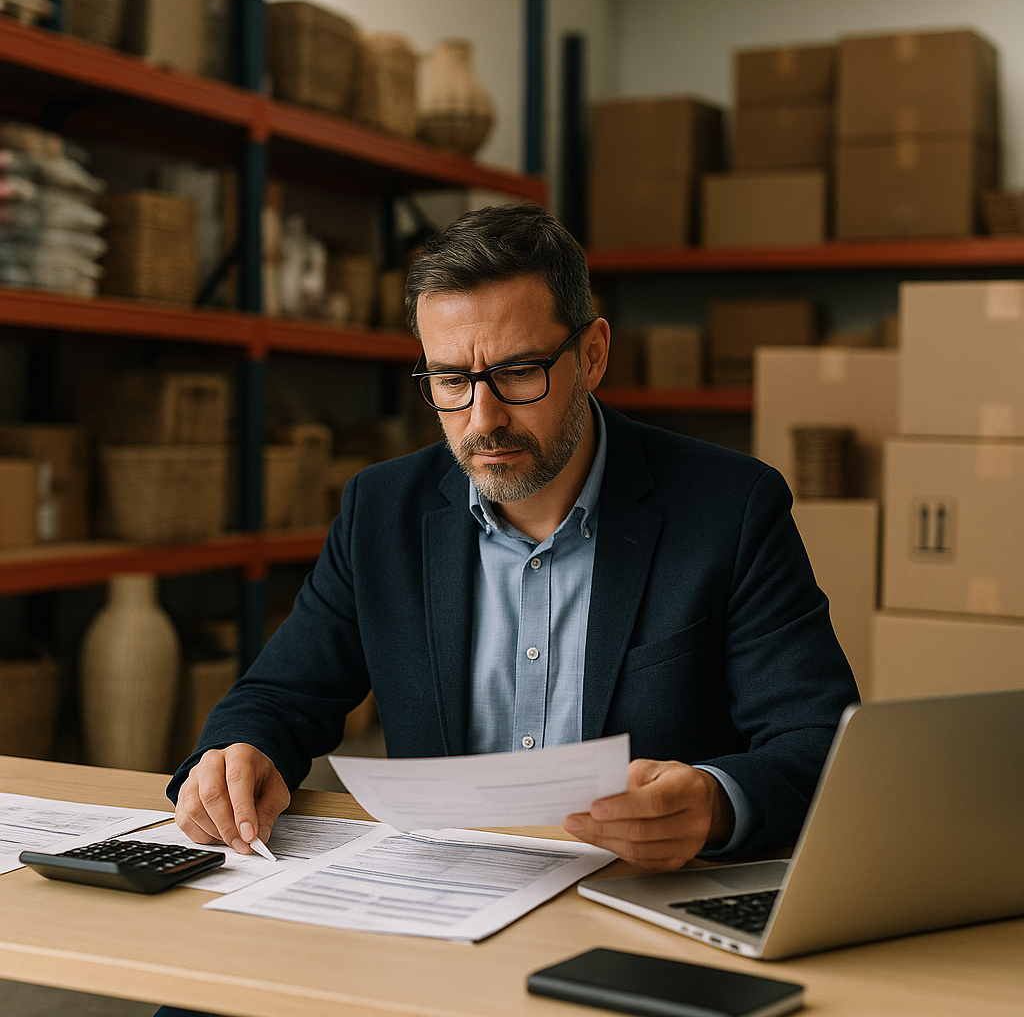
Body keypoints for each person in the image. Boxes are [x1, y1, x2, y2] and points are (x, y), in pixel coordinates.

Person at [168, 202, 858, 878]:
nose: (483, 418)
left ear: (592, 356)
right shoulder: (381, 512)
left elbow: (819, 741)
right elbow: (281, 696)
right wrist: (241, 750)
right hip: (442, 902)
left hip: (635, 899)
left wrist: (715, 802)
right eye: (450, 380)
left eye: (518, 373)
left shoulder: (729, 508)